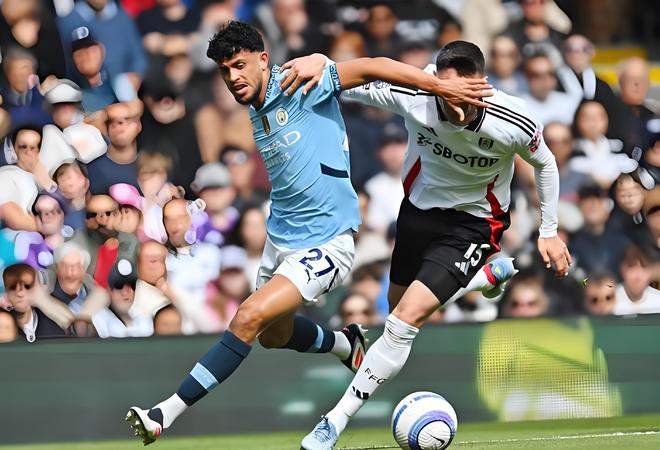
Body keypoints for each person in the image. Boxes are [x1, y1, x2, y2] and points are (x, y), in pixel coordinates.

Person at [125, 20, 492, 445]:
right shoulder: (254, 103)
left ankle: (163, 413)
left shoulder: (300, 81)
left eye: (240, 66)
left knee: (247, 317)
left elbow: (372, 67)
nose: (233, 77)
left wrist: (439, 87)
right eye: (226, 71)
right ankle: (346, 345)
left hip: (327, 241)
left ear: (264, 60)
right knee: (273, 336)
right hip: (280, 239)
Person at [285, 40, 571, 449]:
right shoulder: (415, 95)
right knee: (397, 312)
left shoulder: (513, 118)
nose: (454, 104)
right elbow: (352, 79)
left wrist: (549, 230)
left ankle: (334, 421)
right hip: (417, 216)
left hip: (473, 224)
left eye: (463, 94)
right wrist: (324, 62)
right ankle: (480, 280)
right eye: (445, 91)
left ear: (481, 86)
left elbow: (545, 163)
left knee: (403, 323)